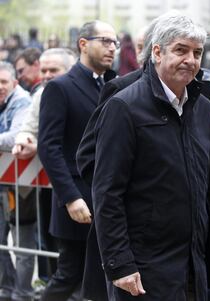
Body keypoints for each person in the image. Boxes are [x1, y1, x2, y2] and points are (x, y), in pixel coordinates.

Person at [91, 12, 210, 301]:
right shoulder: (124, 108)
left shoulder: (202, 108)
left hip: (192, 261)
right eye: (181, 50)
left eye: (197, 52)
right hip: (142, 267)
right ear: (157, 52)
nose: (190, 60)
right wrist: (120, 263)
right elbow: (107, 193)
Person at [37, 20, 117, 301]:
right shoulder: (60, 87)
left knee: (105, 278)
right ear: (83, 44)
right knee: (69, 274)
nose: (112, 48)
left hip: (108, 199)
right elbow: (49, 147)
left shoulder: (113, 84)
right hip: (78, 201)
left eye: (114, 43)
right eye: (105, 41)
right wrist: (70, 197)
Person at [12, 48, 77, 296]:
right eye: (44, 71)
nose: (47, 75)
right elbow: (28, 126)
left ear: (70, 69)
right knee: (51, 243)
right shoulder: (41, 95)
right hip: (51, 187)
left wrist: (37, 146)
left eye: (54, 70)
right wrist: (24, 139)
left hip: (81, 186)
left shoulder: (92, 91)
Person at [0, 61, 33, 301]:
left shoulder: (21, 100)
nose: (0, 87)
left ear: (14, 82)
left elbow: (14, 137)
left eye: (3, 82)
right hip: (5, 182)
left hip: (22, 188)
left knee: (23, 242)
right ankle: (9, 287)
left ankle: (22, 291)